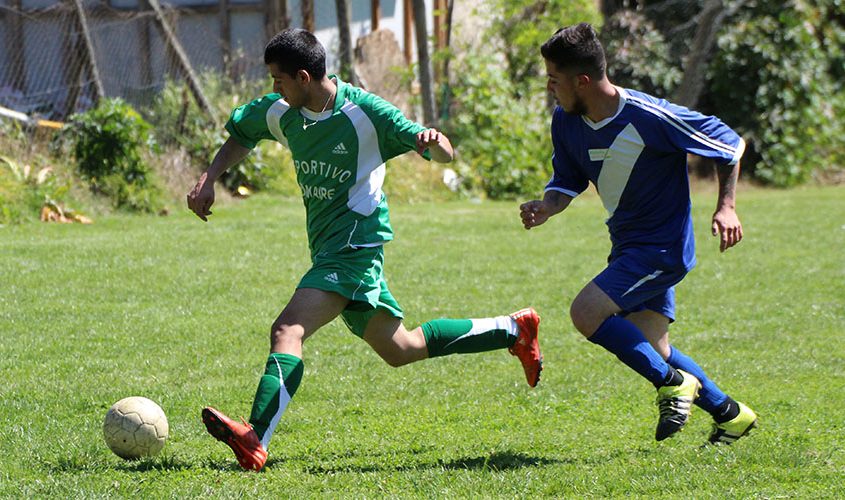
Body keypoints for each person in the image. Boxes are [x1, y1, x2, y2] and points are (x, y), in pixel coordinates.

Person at [187, 28, 542, 471]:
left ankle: (255, 437)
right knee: (402, 348)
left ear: (302, 76)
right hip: (330, 247)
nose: (272, 87)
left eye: (278, 79)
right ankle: (514, 329)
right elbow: (243, 132)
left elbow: (443, 151)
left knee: (287, 330)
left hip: (355, 244)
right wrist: (210, 177)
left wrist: (437, 145)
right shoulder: (282, 110)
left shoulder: (365, 113)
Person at [520, 23, 756, 444]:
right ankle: (731, 414)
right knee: (654, 346)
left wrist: (726, 206)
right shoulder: (567, 121)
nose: (551, 90)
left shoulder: (649, 116)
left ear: (583, 81)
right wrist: (547, 206)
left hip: (662, 250)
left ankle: (673, 384)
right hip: (628, 246)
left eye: (555, 81)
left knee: (586, 312)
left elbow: (728, 142)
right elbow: (567, 178)